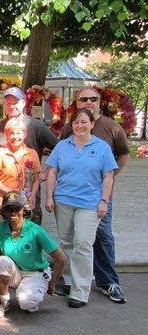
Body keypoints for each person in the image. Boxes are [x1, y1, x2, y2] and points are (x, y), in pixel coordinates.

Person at [59, 87, 130, 304]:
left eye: (93, 98)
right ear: (77, 102)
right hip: (69, 196)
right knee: (72, 239)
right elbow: (59, 155)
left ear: (99, 101)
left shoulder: (111, 126)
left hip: (98, 195)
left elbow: (124, 155)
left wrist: (108, 177)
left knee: (102, 237)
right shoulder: (68, 128)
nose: (88, 102)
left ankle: (108, 281)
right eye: (84, 99)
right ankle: (71, 282)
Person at [45, 108, 117, 308]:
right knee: (66, 242)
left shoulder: (101, 147)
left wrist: (104, 201)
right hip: (63, 201)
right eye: (76, 122)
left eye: (84, 122)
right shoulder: (62, 146)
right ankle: (68, 282)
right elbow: (52, 172)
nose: (80, 126)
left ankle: (80, 291)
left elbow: (108, 176)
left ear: (92, 124)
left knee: (83, 244)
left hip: (89, 204)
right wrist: (49, 197)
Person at [0, 191, 67, 317]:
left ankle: (35, 288)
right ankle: (3, 301)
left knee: (27, 304)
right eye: (8, 209)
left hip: (36, 272)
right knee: (2, 261)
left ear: (24, 210)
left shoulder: (35, 231)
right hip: (15, 272)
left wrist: (53, 284)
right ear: (4, 212)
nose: (13, 212)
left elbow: (61, 259)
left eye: (16, 208)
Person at [0, 86, 58, 224]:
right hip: (2, 195)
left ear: (24, 103)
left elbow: (59, 149)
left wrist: (47, 172)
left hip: (29, 192)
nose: (11, 106)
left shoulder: (36, 125)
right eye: (8, 103)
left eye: (15, 102)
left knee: (29, 231)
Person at [0, 118, 41, 224]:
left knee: (21, 237)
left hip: (23, 203)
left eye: (19, 133)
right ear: (6, 135)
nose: (16, 137)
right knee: (1, 238)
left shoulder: (32, 153)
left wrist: (31, 196)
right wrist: (12, 193)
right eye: (12, 133)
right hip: (1, 202)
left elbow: (36, 180)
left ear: (24, 134)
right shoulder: (0, 152)